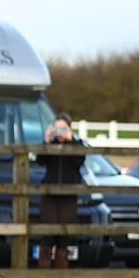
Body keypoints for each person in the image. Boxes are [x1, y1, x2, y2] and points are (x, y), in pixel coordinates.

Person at [38, 113, 87, 269]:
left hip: (68, 197)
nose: (59, 132)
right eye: (56, 128)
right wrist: (47, 139)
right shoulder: (50, 145)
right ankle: (43, 270)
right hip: (50, 196)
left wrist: (69, 140)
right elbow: (40, 160)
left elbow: (78, 161)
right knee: (48, 232)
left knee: (64, 235)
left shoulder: (78, 146)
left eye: (62, 128)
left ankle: (61, 271)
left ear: (70, 128)